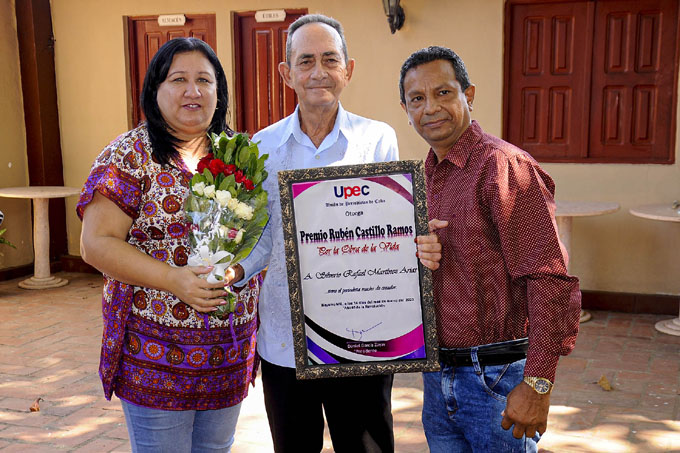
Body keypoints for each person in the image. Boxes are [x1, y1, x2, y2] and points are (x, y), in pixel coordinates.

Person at [228, 14, 441, 453]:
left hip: (362, 332)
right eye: (305, 61)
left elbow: (389, 230)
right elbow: (261, 238)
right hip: (286, 337)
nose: (318, 72)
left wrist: (416, 246)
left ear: (348, 69)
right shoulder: (260, 148)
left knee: (366, 447)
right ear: (287, 73)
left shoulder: (376, 139)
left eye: (330, 59)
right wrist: (232, 272)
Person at [77, 37, 259, 452]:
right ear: (155, 90)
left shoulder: (239, 153)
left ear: (219, 92)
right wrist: (173, 280)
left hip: (227, 352)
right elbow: (96, 243)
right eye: (178, 79)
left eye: (204, 80)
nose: (193, 91)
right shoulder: (129, 155)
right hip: (154, 355)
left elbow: (258, 237)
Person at [399, 46, 582, 452]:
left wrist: (537, 383)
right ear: (405, 108)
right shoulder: (425, 176)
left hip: (495, 380)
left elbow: (549, 279)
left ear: (469, 94)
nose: (431, 107)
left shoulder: (504, 168)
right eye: (418, 98)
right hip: (438, 377)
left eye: (444, 92)